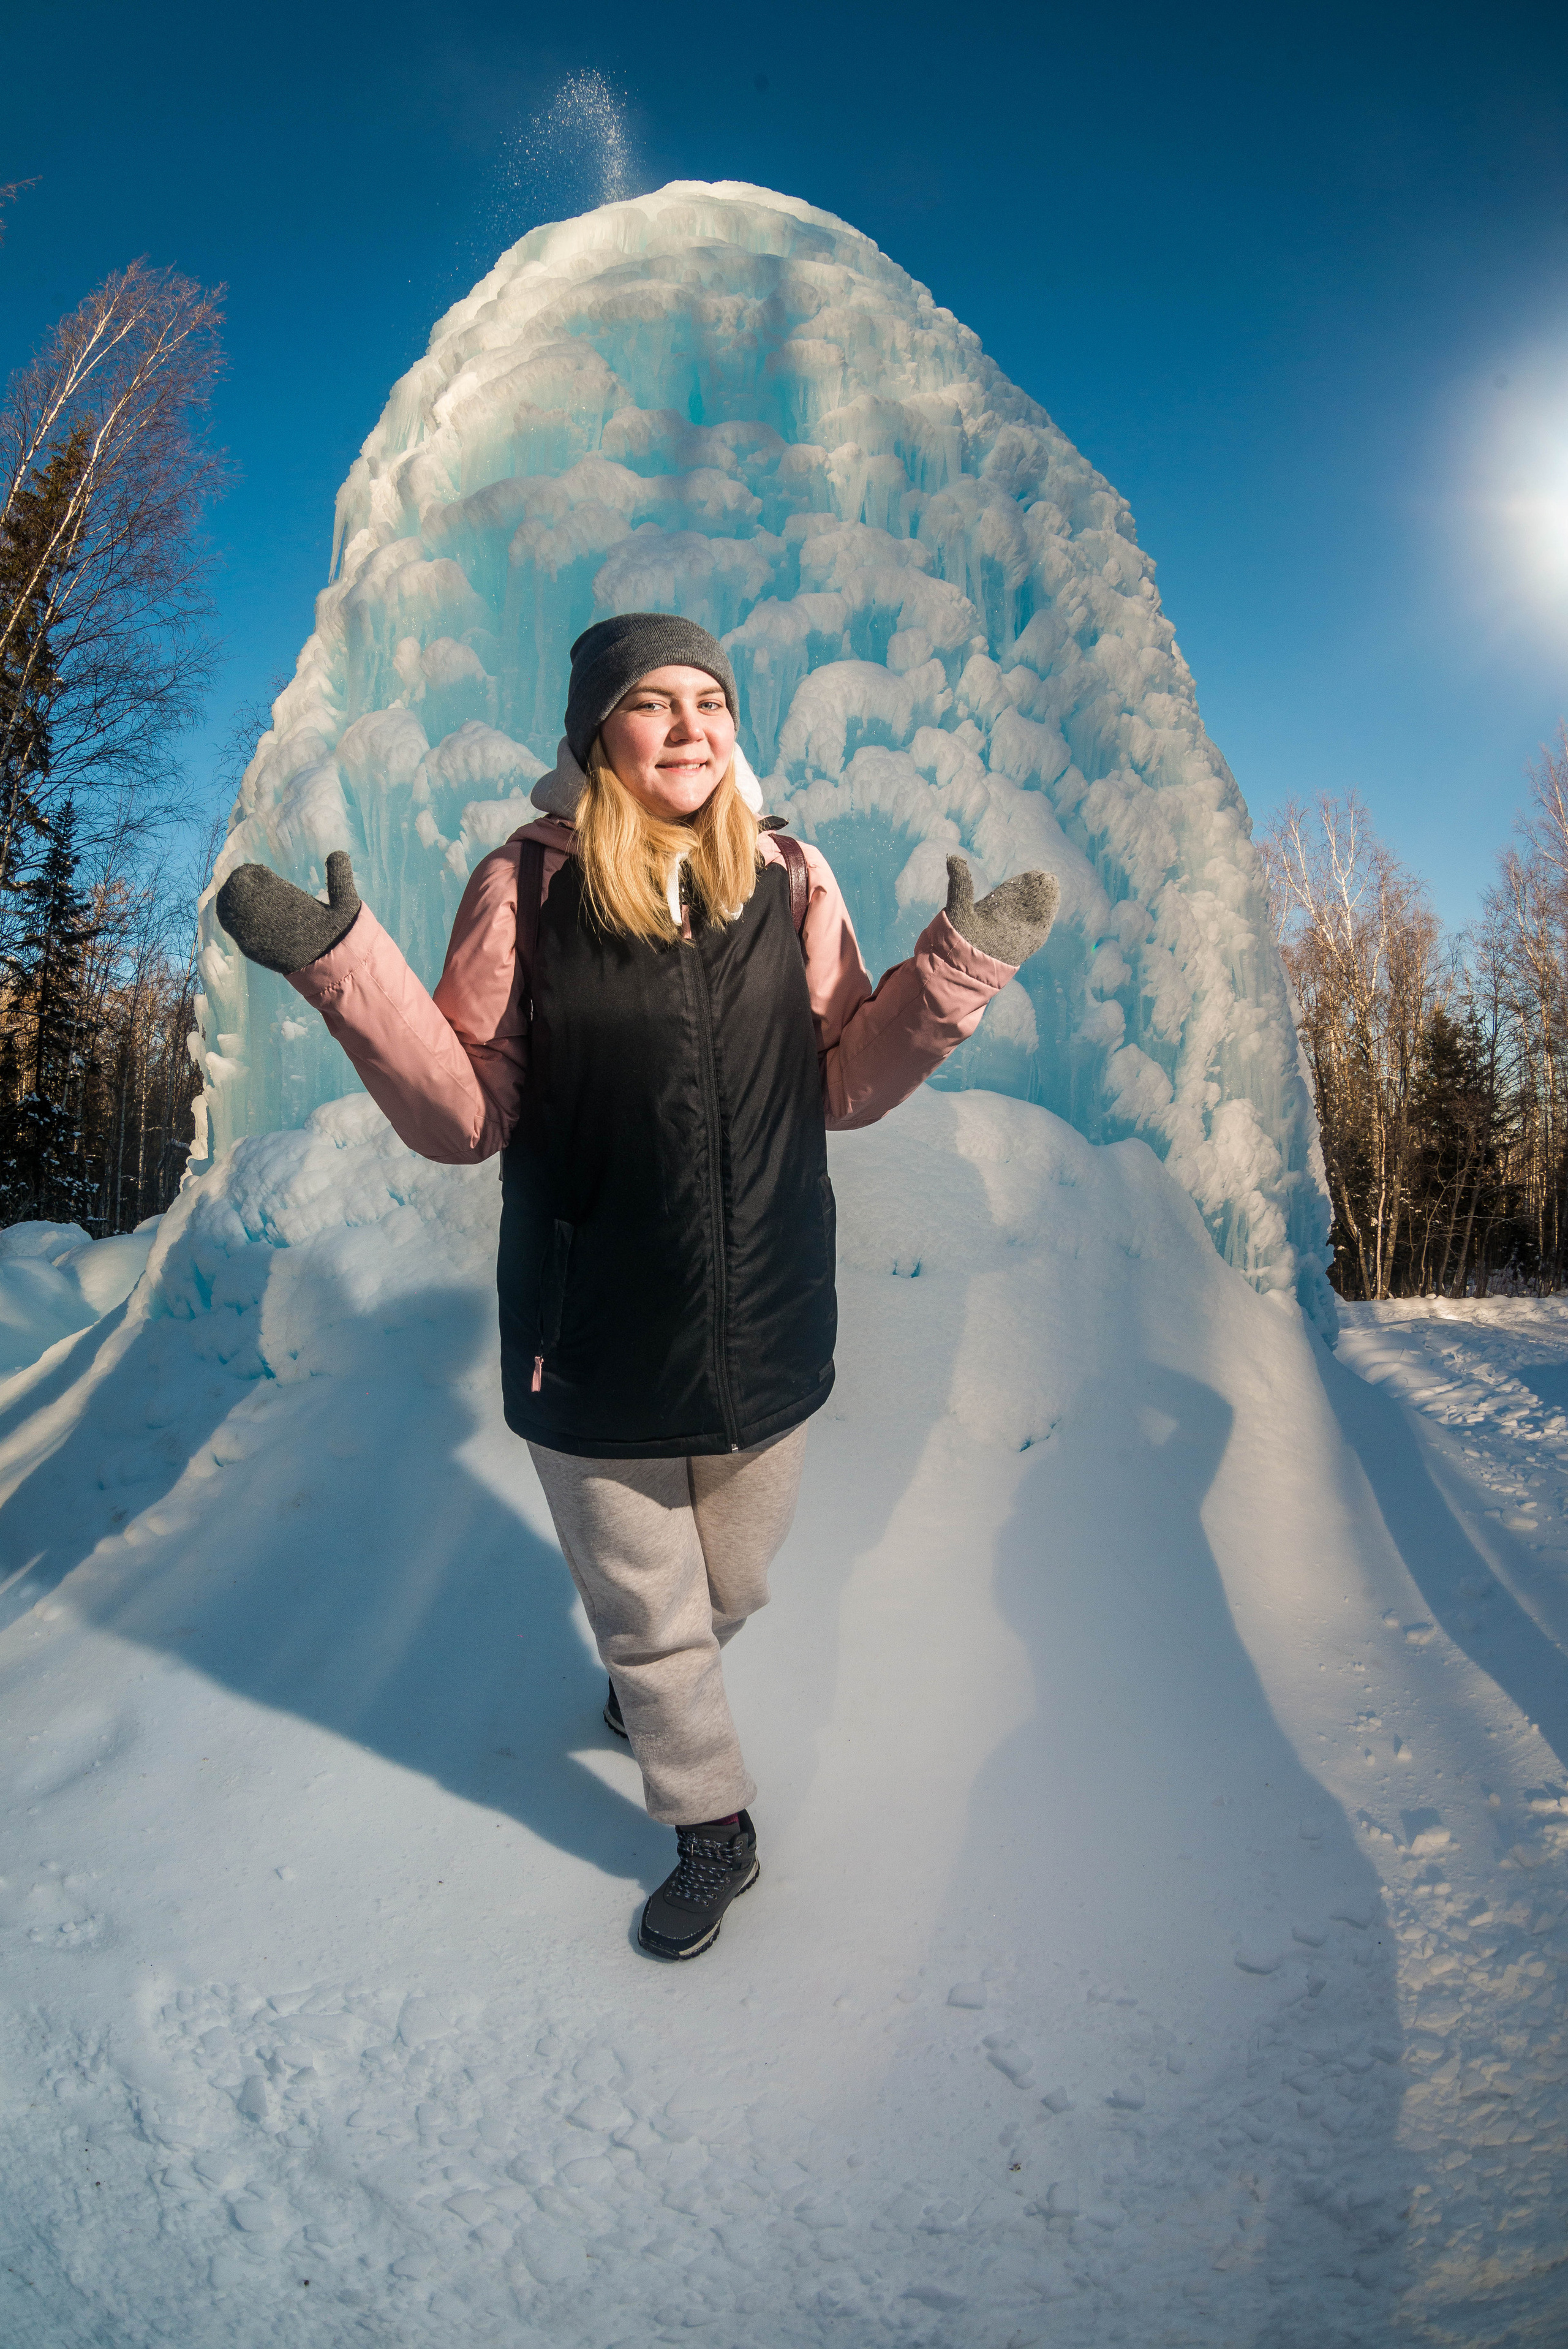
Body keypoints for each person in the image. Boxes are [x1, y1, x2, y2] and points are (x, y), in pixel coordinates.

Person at [217, 613, 1058, 1959]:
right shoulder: (528, 885)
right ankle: (710, 1824)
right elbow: (465, 1109)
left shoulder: (786, 876)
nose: (689, 728)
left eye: (709, 702)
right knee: (654, 1614)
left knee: (733, 1579)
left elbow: (842, 1075)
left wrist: (953, 973)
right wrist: (347, 972)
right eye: (653, 703)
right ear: (595, 733)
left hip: (765, 1306)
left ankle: (647, 1680)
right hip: (586, 1320)